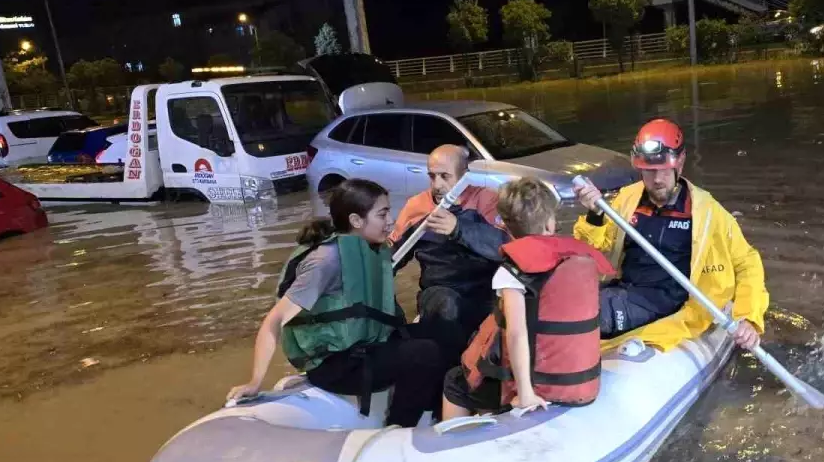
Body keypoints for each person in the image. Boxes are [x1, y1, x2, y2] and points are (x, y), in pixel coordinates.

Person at [228, 178, 444, 428]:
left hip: (363, 347)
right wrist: (255, 381)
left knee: (443, 331)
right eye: (383, 214)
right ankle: (398, 428)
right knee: (424, 353)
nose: (390, 221)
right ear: (356, 221)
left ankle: (434, 415)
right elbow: (274, 321)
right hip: (335, 365)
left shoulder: (369, 248)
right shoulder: (326, 260)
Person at [572, 118, 769, 351]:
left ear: (680, 163)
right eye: (649, 171)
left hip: (668, 301)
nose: (656, 180)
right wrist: (595, 214)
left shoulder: (707, 211)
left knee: (586, 311)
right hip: (626, 289)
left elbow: (746, 263)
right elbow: (593, 252)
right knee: (559, 297)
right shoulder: (627, 199)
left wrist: (748, 317)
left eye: (664, 171)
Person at [442, 177, 615, 419]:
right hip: (577, 380)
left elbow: (516, 332)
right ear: (549, 224)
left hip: (533, 381)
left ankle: (456, 441)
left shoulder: (512, 270)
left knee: (455, 381)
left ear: (505, 226)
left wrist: (525, 394)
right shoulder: (576, 258)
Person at [389, 144, 508, 355]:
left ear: (465, 175)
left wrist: (459, 228)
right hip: (439, 291)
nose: (437, 185)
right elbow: (392, 256)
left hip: (484, 290)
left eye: (445, 176)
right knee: (445, 304)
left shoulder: (487, 200)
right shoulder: (416, 206)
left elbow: (504, 246)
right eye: (432, 176)